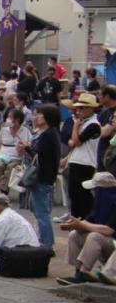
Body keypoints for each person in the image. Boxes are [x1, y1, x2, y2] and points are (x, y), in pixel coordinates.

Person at [57, 171, 116, 284]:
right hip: (107, 245)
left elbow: (108, 230)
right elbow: (87, 223)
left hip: (113, 247)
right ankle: (78, 272)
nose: (91, 192)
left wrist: (82, 224)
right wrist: (74, 225)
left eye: (94, 189)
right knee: (75, 234)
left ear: (103, 191)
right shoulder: (98, 206)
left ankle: (84, 273)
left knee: (95, 236)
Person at [18, 104, 62, 247]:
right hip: (42, 177)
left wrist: (27, 148)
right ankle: (43, 239)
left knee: (42, 213)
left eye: (39, 115)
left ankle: (46, 244)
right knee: (40, 211)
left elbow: (40, 155)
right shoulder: (44, 133)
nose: (35, 117)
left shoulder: (49, 134)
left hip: (43, 177)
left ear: (48, 117)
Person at [64, 92, 101, 220]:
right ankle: (75, 219)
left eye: (82, 108)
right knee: (73, 194)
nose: (79, 111)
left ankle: (85, 220)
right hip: (76, 161)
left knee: (82, 195)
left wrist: (75, 128)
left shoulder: (94, 125)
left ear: (91, 108)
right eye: (78, 108)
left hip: (86, 163)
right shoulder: (84, 122)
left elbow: (76, 141)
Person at [0, 108, 32, 194]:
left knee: (10, 167)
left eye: (10, 117)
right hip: (4, 154)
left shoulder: (25, 131)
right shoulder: (4, 130)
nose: (8, 119)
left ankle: (1, 190)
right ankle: (3, 189)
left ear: (17, 119)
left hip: (16, 156)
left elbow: (28, 145)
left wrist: (22, 146)